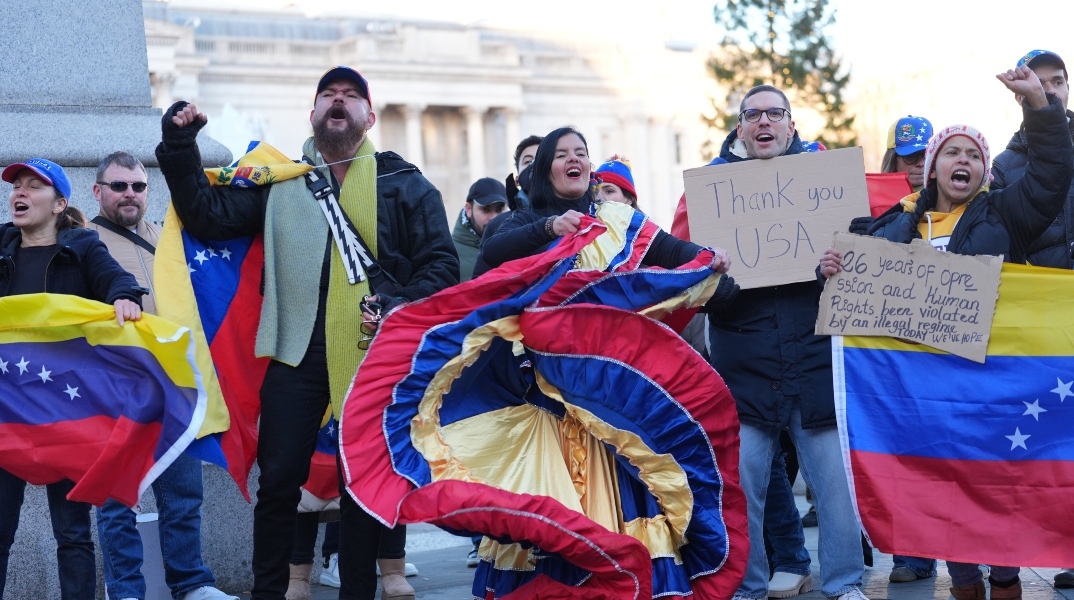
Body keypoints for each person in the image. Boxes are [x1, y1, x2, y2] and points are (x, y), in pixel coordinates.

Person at [155, 65, 459, 600]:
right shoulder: (281, 181)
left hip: (374, 356)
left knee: (362, 485)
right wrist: (180, 147)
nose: (337, 102)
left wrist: (394, 302)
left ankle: (358, 591)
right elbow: (205, 216)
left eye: (350, 95)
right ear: (312, 113)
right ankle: (269, 592)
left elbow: (440, 265)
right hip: (296, 355)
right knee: (277, 487)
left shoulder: (404, 183)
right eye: (327, 95)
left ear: (368, 116)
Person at [821, 64, 1073, 600]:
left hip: (990, 399)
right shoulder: (891, 226)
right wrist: (837, 269)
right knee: (954, 540)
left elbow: (1053, 173)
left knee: (1001, 542)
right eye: (953, 153)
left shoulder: (1007, 215)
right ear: (933, 167)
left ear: (985, 171)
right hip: (927, 408)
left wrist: (1038, 107)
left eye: (974, 155)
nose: (964, 161)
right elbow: (855, 284)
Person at [700, 85, 868, 600]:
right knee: (743, 488)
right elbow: (702, 295)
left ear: (792, 125)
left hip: (816, 360)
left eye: (776, 113)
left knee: (836, 489)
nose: (765, 122)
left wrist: (836, 270)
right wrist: (714, 275)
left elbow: (860, 276)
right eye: (754, 115)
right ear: (741, 128)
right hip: (746, 370)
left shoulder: (827, 186)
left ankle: (844, 584)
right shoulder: (713, 194)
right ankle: (748, 588)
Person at [87, 151, 237, 600]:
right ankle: (126, 590)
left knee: (184, 494)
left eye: (137, 186)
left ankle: (191, 584)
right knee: (117, 501)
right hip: (116, 391)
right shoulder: (80, 242)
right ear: (98, 192)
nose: (129, 194)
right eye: (119, 186)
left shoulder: (171, 237)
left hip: (176, 386)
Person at [0, 157, 144, 600]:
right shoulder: (0, 246)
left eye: (33, 187)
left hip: (67, 414)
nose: (19, 193)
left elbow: (117, 280)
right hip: (6, 413)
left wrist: (124, 297)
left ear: (60, 203)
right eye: (16, 186)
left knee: (73, 534)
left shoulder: (82, 246)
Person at [990, 50, 1074, 590]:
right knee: (1059, 443)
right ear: (1021, 96)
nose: (1052, 89)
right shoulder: (1005, 165)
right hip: (1046, 324)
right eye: (1038, 83)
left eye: (1058, 80)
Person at [479, 126, 729, 274]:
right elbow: (492, 251)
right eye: (561, 155)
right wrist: (550, 227)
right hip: (546, 355)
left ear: (589, 167)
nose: (574, 159)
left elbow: (670, 250)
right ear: (545, 171)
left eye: (581, 153)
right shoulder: (528, 219)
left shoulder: (619, 217)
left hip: (611, 350)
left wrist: (708, 255)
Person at [453, 177, 508, 281]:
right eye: (486, 209)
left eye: (499, 209)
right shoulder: (450, 255)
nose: (494, 218)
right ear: (469, 209)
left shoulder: (516, 246)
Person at [881, 116, 933, 191]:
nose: (921, 163)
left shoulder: (948, 198)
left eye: (927, 155)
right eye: (911, 156)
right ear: (893, 160)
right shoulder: (874, 199)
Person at [505, 135, 541, 210]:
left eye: (540, 159)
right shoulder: (505, 221)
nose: (534, 164)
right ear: (517, 180)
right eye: (527, 161)